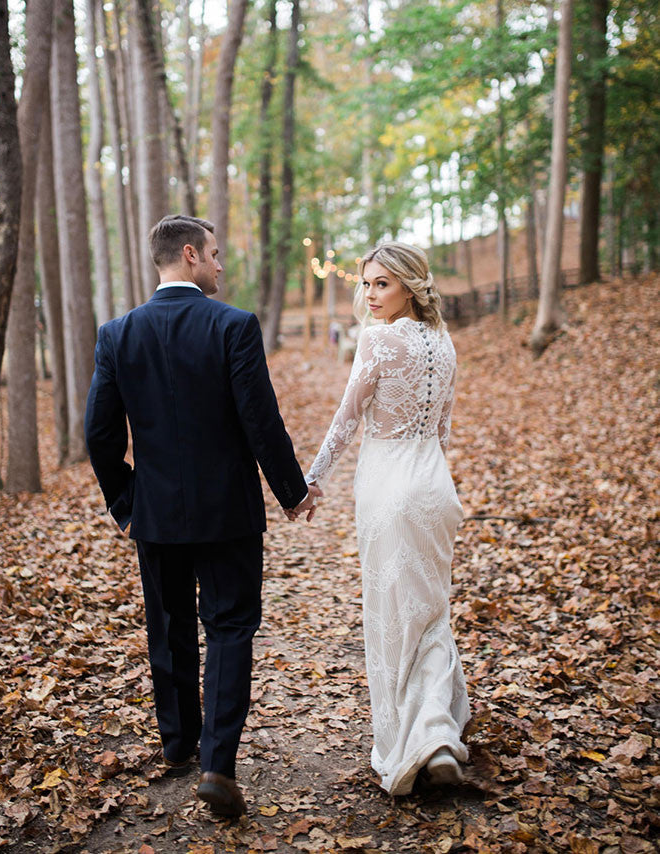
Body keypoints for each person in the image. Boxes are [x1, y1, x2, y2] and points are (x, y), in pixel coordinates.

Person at [84, 215, 320, 817]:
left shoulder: (118, 334)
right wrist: (292, 493)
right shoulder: (234, 326)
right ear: (189, 255)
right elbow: (259, 421)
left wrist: (126, 502)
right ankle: (217, 763)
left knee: (169, 626)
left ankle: (178, 744)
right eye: (214, 254)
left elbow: (99, 434)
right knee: (230, 626)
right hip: (229, 514)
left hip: (156, 515)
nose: (220, 264)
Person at [302, 242, 470, 796]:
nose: (370, 295)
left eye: (382, 285)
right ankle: (440, 734)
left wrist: (311, 479)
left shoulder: (377, 339)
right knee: (431, 610)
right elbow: (442, 430)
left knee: (396, 617)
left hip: (389, 489)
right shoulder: (444, 343)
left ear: (410, 286)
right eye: (368, 283)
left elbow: (348, 418)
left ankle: (417, 742)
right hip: (435, 488)